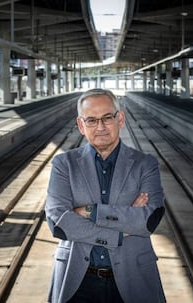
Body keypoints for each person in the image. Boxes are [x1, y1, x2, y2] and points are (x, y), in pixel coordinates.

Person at [45, 88, 166, 303]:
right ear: (81, 126)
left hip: (133, 279)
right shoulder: (64, 164)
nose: (100, 127)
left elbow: (148, 220)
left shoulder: (145, 164)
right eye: (91, 120)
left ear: (120, 119)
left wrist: (89, 211)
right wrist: (121, 232)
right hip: (77, 281)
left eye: (107, 118)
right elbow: (59, 224)